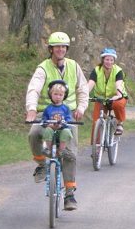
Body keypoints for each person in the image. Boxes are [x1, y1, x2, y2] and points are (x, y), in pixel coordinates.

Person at [25, 31, 89, 211]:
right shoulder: (43, 68)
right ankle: (41, 164)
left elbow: (83, 89)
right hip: (45, 113)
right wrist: (31, 109)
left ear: (67, 49)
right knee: (34, 133)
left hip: (68, 116)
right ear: (51, 49)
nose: (60, 49)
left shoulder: (74, 66)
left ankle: (69, 194)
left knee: (69, 154)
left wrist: (81, 108)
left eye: (63, 47)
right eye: (56, 47)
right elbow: (34, 89)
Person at [87, 48, 128, 141]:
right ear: (103, 60)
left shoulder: (118, 71)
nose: (109, 62)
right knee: (96, 121)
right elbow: (90, 84)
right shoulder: (96, 70)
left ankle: (119, 123)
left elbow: (119, 84)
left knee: (118, 104)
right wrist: (84, 95)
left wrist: (118, 94)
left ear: (114, 61)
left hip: (117, 96)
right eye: (107, 59)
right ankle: (96, 148)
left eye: (111, 60)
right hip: (101, 98)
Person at [41, 80, 74, 158]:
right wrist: (48, 124)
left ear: (64, 96)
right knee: (47, 130)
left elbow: (68, 120)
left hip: (62, 130)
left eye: (60, 95)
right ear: (51, 95)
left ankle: (61, 150)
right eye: (55, 94)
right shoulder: (48, 108)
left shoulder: (66, 108)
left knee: (67, 131)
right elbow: (44, 119)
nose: (58, 97)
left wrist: (62, 125)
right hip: (52, 131)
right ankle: (48, 149)